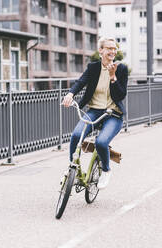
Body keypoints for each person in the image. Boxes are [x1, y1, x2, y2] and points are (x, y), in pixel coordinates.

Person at [62, 37, 128, 189]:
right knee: (76, 135)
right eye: (109, 48)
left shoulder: (121, 69)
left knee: (101, 142)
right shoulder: (93, 67)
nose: (112, 51)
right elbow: (80, 82)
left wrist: (113, 78)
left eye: (114, 48)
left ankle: (106, 170)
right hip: (94, 111)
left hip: (114, 114)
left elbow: (120, 95)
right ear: (101, 50)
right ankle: (72, 167)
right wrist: (70, 94)